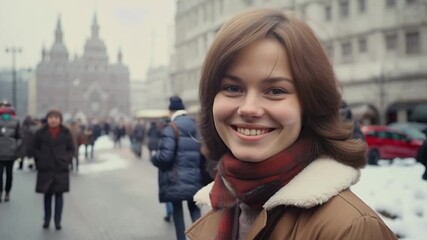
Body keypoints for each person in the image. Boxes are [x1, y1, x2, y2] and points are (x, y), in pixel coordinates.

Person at [186, 9, 397, 240]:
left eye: (276, 91)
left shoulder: (351, 229)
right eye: (233, 88)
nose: (249, 108)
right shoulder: (218, 207)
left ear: (310, 105)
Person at [151, 96, 203, 240]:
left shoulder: (171, 127)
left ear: (171, 110)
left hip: (175, 179)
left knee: (178, 213)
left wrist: (154, 158)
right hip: (195, 177)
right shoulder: (196, 125)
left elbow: (165, 157)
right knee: (194, 209)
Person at [33, 109, 75, 230]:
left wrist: (65, 160)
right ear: (47, 119)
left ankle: (57, 221)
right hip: (45, 168)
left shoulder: (66, 132)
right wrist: (40, 161)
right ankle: (46, 219)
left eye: (56, 117)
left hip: (60, 169)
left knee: (59, 196)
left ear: (60, 119)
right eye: (51, 117)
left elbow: (71, 149)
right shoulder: (40, 133)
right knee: (47, 195)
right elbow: (35, 148)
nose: (53, 120)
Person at [0, 100, 21, 202]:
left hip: (10, 152)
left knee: (9, 174)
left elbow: (20, 137)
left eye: (7, 106)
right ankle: (0, 192)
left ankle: (7, 192)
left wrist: (15, 147)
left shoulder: (16, 121)